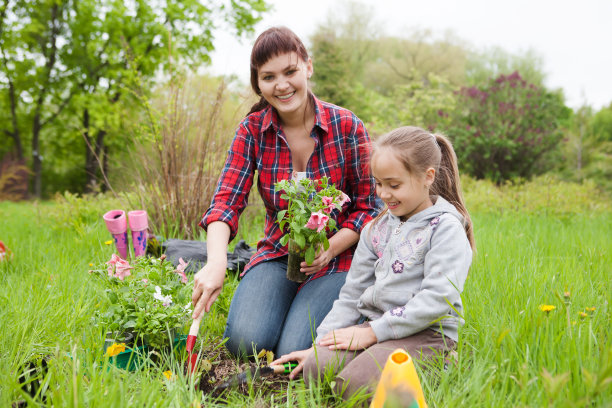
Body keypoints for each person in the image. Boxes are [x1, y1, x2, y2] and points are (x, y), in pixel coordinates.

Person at [191, 26, 378, 357]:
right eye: (268, 77)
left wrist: (330, 248)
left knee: (295, 348)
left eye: (290, 71)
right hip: (278, 255)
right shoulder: (252, 130)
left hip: (338, 259)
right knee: (246, 343)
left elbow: (370, 207)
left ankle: (356, 317)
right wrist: (216, 261)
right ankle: (287, 300)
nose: (281, 85)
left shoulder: (347, 126)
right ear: (258, 84)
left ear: (308, 66)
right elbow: (225, 203)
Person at [272, 126, 475, 402]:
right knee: (315, 370)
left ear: (428, 177)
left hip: (426, 334)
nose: (383, 194)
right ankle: (366, 358)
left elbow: (438, 299)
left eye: (394, 185)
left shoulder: (445, 229)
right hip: (377, 327)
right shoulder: (375, 229)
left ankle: (442, 363)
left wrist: (371, 333)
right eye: (379, 184)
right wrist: (319, 346)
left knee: (355, 386)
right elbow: (351, 294)